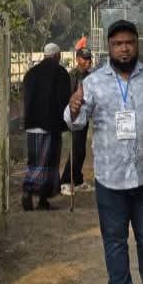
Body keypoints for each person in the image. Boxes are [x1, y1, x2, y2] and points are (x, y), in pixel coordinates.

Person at [66, 20, 143, 284]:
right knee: (114, 240)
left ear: (137, 44)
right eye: (117, 44)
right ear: (109, 47)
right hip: (110, 178)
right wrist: (73, 108)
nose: (124, 49)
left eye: (129, 43)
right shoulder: (93, 83)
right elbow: (76, 122)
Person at [22, 42, 71, 212]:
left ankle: (40, 199)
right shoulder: (60, 73)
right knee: (48, 162)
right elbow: (64, 100)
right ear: (57, 55)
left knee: (34, 161)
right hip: (51, 126)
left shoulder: (31, 73)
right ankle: (30, 190)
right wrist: (66, 122)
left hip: (32, 125)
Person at [60, 48, 93, 196]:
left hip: (84, 116)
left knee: (81, 150)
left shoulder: (90, 77)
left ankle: (78, 181)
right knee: (76, 149)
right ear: (77, 59)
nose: (88, 62)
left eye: (89, 58)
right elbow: (68, 97)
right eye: (85, 58)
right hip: (74, 116)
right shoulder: (72, 76)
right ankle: (65, 182)